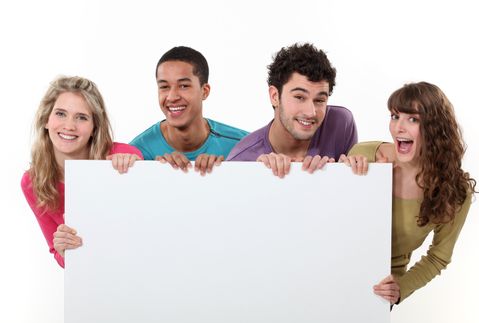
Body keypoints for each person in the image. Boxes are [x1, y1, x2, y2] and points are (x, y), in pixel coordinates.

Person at [343, 82, 477, 304]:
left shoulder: (455, 191)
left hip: (381, 288)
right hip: (336, 269)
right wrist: (340, 175)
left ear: (434, 128)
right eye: (395, 116)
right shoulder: (364, 155)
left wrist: (400, 288)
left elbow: (438, 257)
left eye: (412, 119)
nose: (398, 128)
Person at [21, 76, 143, 268]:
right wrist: (63, 250)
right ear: (46, 120)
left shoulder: (122, 155)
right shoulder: (32, 181)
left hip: (134, 268)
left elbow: (145, 224)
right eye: (61, 114)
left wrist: (138, 170)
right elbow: (59, 256)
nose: (69, 125)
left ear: (95, 127)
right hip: (90, 279)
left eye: (81, 117)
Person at [226, 43, 360, 177]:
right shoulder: (241, 161)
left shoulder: (340, 124)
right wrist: (262, 178)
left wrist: (337, 174)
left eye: (319, 100)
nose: (310, 112)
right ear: (274, 96)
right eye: (299, 97)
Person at [131, 46, 248, 175]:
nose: (172, 97)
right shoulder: (137, 154)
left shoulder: (244, 146)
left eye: (184, 86)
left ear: (205, 91)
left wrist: (221, 173)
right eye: (164, 87)